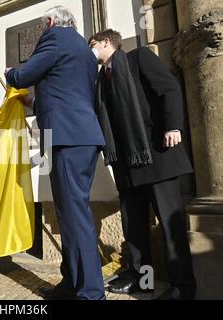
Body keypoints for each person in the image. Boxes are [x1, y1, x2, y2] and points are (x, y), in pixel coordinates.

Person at [5, 6, 106, 300]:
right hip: (79, 136)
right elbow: (66, 92)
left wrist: (12, 73)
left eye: (43, 25)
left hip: (69, 138)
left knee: (75, 215)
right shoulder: (81, 48)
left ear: (50, 22)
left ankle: (91, 293)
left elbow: (25, 74)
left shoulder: (55, 38)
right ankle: (72, 284)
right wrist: (33, 104)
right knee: (69, 213)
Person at [89, 29, 196, 300]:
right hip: (126, 166)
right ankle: (143, 280)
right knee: (134, 230)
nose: (89, 49)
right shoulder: (101, 79)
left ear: (105, 42)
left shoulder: (139, 59)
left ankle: (182, 288)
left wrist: (173, 126)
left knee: (171, 229)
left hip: (157, 156)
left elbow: (168, 88)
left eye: (92, 44)